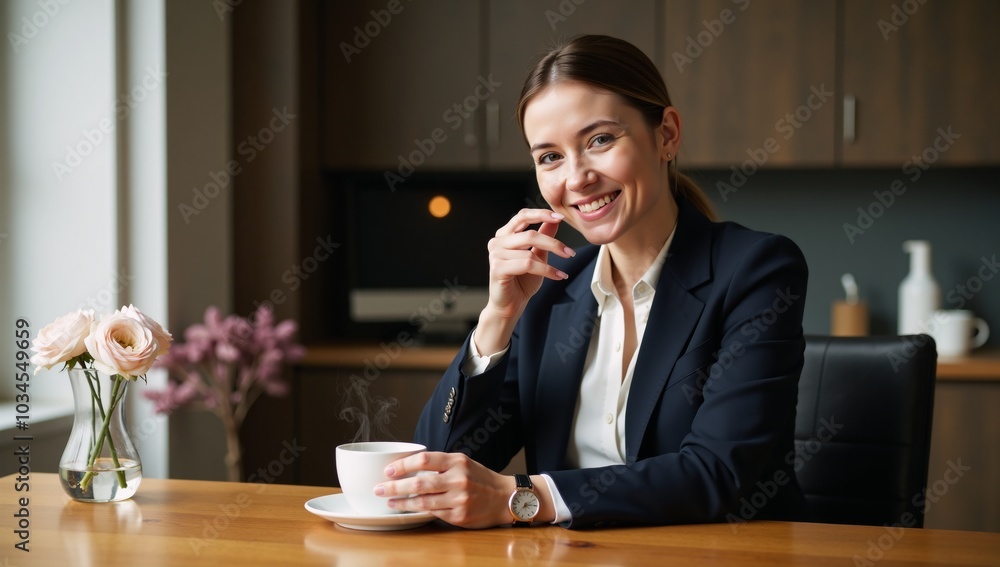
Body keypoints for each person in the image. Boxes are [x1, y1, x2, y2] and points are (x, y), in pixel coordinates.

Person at [374, 34, 809, 529]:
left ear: (666, 134)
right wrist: (495, 318)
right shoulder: (550, 287)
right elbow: (442, 469)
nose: (576, 178)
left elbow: (721, 475)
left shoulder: (756, 269)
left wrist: (523, 497)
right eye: (550, 157)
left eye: (599, 140)